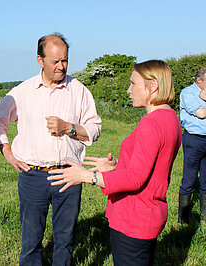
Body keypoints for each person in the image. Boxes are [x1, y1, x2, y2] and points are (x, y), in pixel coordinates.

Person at [47, 60, 182, 266]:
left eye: (133, 84)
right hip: (150, 215)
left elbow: (136, 178)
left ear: (153, 85)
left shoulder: (151, 123)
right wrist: (117, 166)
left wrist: (86, 176)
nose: (128, 90)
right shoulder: (170, 118)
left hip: (134, 218)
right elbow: (152, 164)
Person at [0, 33, 102, 265]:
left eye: (65, 60)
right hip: (32, 175)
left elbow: (94, 129)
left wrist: (69, 128)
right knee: (31, 240)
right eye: (55, 61)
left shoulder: (79, 91)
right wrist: (9, 154)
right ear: (40, 60)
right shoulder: (22, 92)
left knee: (65, 238)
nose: (61, 67)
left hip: (69, 175)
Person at [179, 66, 206, 224]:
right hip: (194, 140)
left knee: (205, 180)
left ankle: (204, 217)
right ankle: (183, 220)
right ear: (199, 81)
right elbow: (200, 113)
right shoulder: (187, 93)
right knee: (189, 179)